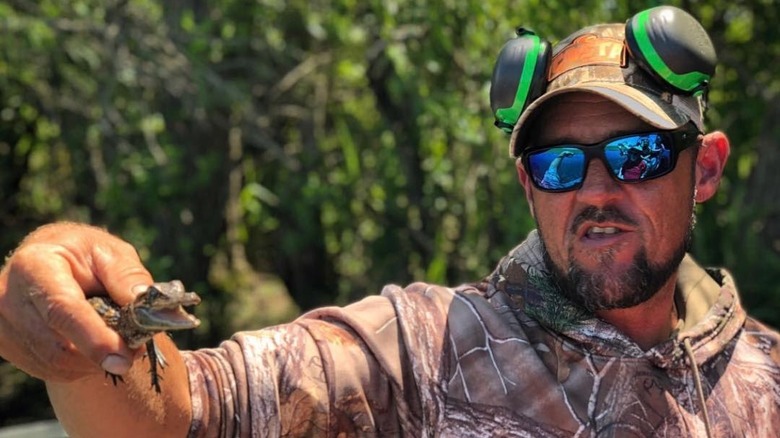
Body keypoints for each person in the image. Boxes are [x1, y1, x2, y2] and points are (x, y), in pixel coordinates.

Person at [1, 7, 779, 437]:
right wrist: (66, 304)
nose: (597, 190)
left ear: (704, 167)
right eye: (559, 164)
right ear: (528, 186)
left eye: (638, 155)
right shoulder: (423, 350)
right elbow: (184, 415)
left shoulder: (768, 377)